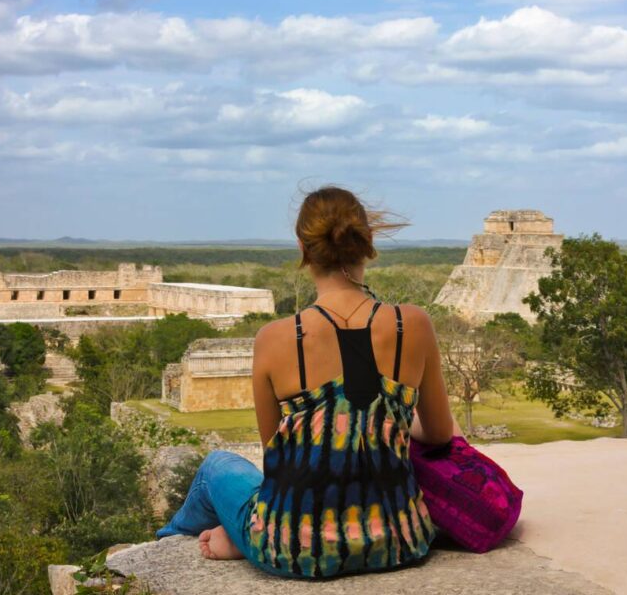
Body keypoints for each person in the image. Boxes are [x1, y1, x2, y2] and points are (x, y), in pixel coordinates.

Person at [156, 184, 457, 579]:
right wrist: (386, 422)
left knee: (217, 466)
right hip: (397, 540)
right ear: (368, 242)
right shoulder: (412, 324)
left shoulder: (276, 339)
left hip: (294, 549)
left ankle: (168, 544)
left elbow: (277, 458)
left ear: (302, 248)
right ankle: (228, 538)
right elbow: (439, 434)